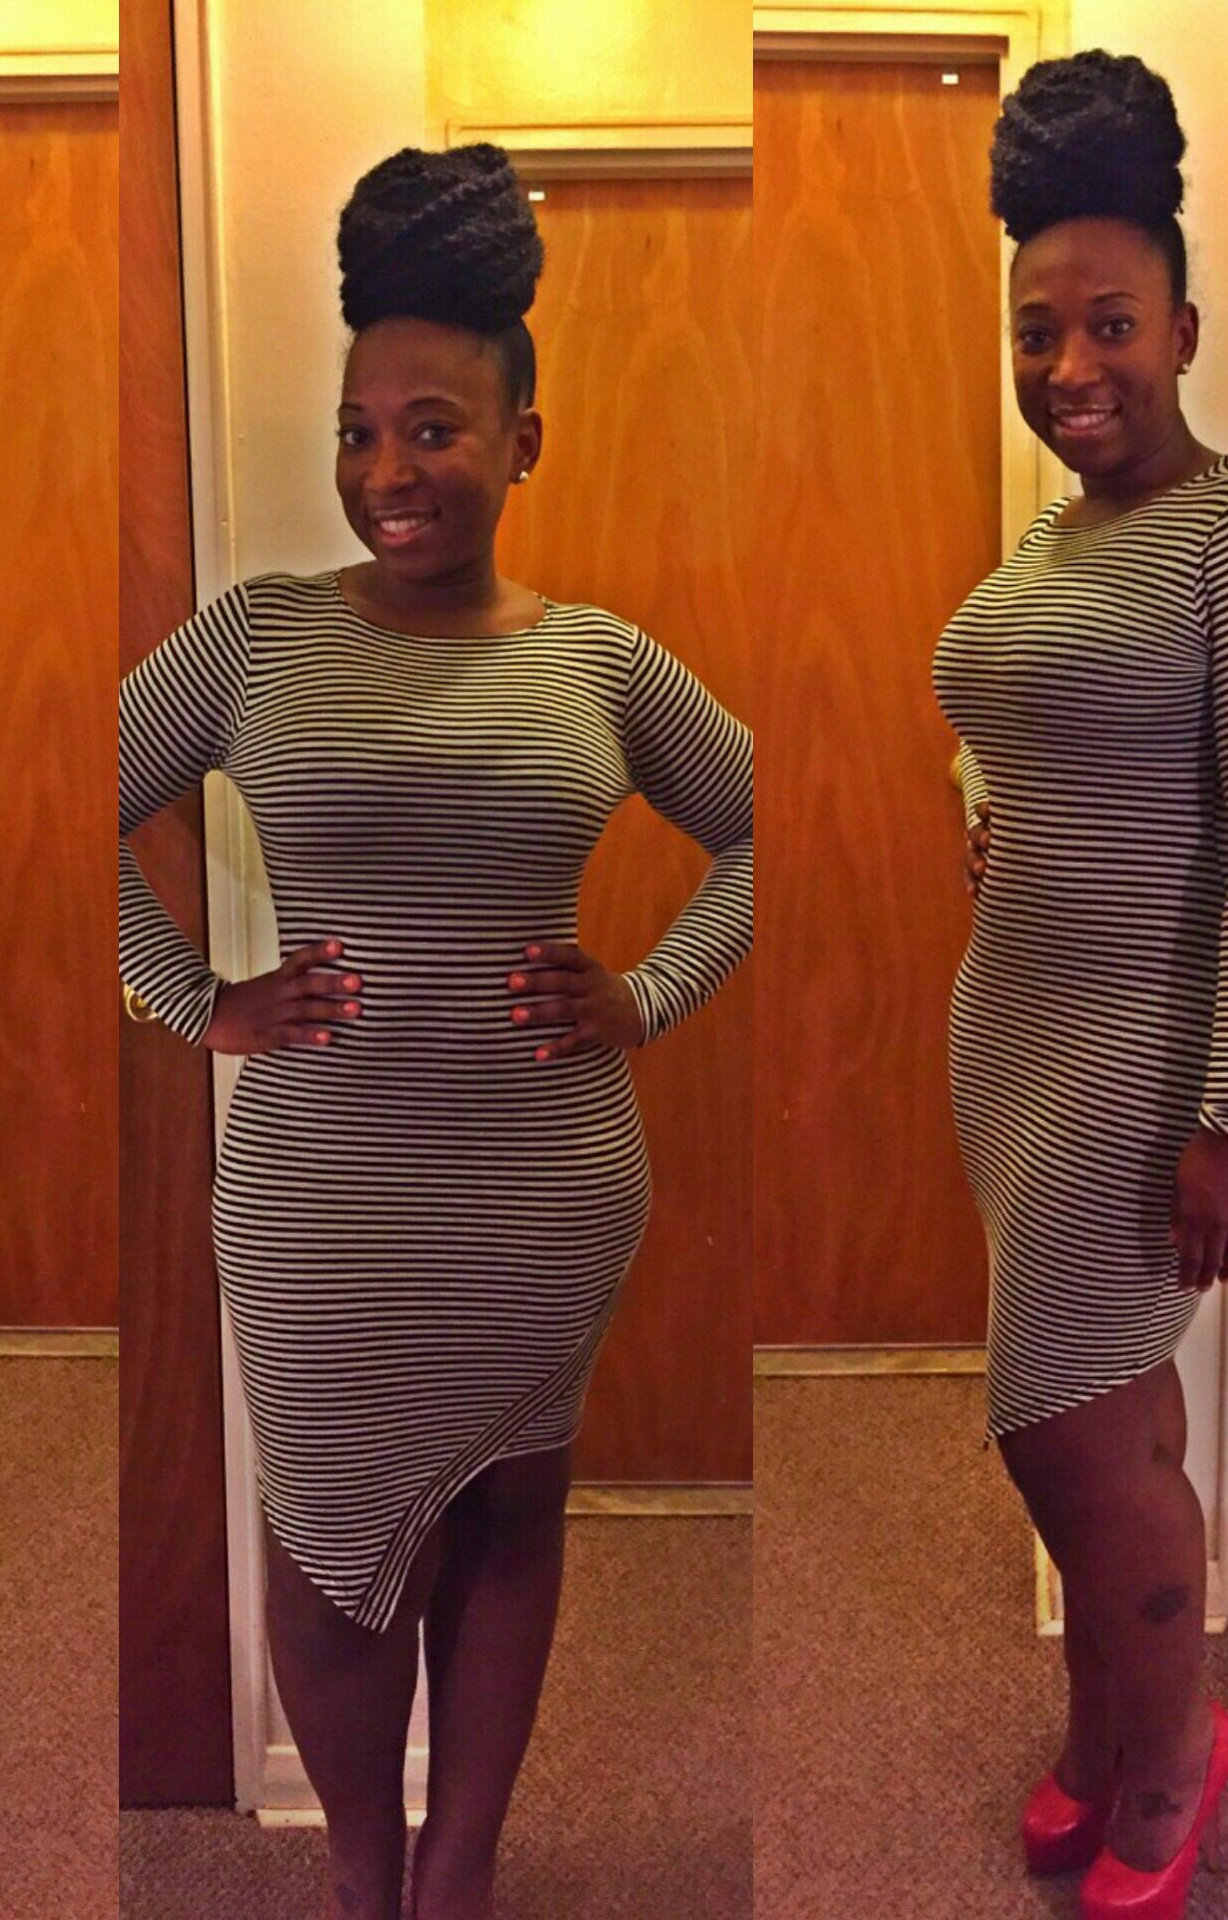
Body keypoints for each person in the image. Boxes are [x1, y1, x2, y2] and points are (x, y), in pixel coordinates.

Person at [119, 144, 753, 1920]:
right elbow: (61, 806)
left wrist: (648, 991)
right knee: (329, 1558)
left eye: (431, 429)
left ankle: (460, 1871)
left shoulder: (600, 663)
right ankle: (362, 1874)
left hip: (542, 1190)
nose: (385, 472)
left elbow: (763, 835)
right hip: (319, 1197)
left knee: (508, 1516)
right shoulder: (253, 641)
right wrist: (198, 999)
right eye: (357, 432)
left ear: (523, 439)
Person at [934, 52, 1228, 1920]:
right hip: (1014, 1043)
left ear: (1183, 329)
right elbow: (1035, 722)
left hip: (1138, 1062)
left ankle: (1178, 1752)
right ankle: (1108, 1732)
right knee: (1118, 1421)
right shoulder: (1059, 535)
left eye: (1110, 323)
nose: (1070, 365)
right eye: (1037, 330)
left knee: (1066, 1431)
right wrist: (992, 810)